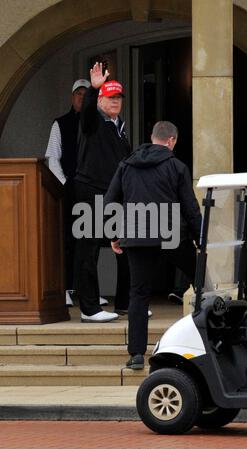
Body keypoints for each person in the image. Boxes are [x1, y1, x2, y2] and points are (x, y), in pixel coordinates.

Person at [104, 121, 202, 368]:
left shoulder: (126, 165)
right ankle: (206, 343)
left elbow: (109, 202)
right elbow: (190, 208)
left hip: (136, 237)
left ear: (152, 137)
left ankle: (136, 354)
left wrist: (115, 234)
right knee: (202, 282)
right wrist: (200, 239)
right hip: (171, 236)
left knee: (138, 294)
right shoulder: (176, 166)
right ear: (172, 141)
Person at [74, 62, 131, 322]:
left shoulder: (119, 129)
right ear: (100, 100)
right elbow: (85, 116)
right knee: (88, 250)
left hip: (113, 195)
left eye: (118, 97)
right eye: (110, 97)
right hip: (91, 192)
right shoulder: (94, 121)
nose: (115, 101)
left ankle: (126, 303)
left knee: (126, 245)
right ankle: (89, 309)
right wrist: (93, 90)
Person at [45, 78, 108, 308]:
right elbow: (53, 157)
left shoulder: (100, 123)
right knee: (69, 242)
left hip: (94, 191)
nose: (82, 97)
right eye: (78, 94)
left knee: (91, 244)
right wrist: (65, 185)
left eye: (86, 93)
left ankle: (88, 292)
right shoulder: (60, 123)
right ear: (72, 97)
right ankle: (66, 289)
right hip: (70, 192)